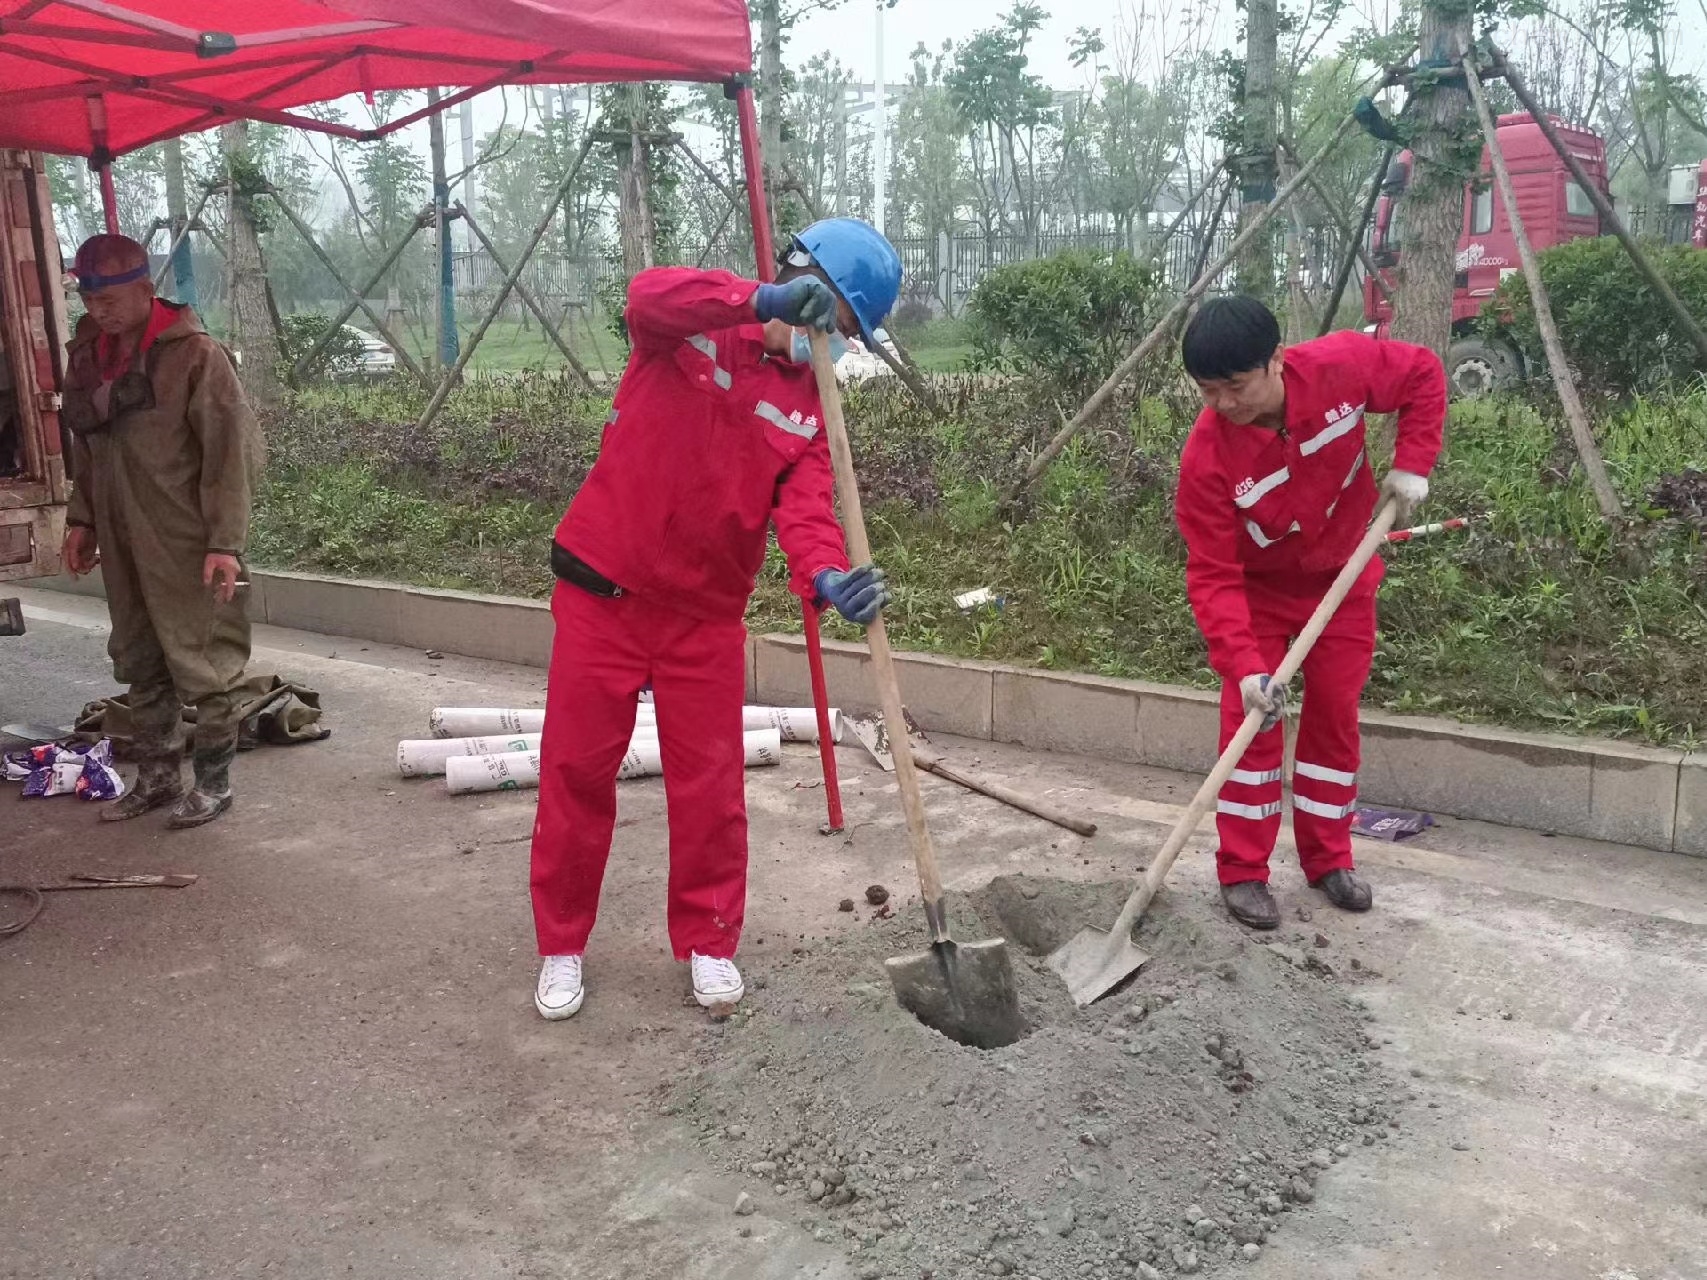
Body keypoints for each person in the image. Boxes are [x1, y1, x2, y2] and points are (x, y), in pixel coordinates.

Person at [529, 218, 902, 1019]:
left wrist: (828, 576)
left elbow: (805, 512)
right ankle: (561, 944)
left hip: (703, 616)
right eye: (834, 324)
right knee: (575, 774)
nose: (833, 345)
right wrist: (754, 298)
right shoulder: (698, 327)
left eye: (844, 336)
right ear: (803, 285)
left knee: (711, 790)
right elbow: (644, 298)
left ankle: (708, 943)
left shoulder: (811, 409)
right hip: (604, 591)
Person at [1174, 296, 1445, 930]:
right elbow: (1212, 574)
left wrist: (1411, 466)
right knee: (1252, 727)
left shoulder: (1340, 369)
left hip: (1343, 584)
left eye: (1234, 387)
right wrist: (1243, 666)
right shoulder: (1207, 458)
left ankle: (1330, 859)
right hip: (1260, 598)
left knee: (1333, 720)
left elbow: (1424, 375)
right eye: (1206, 390)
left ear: (1275, 360)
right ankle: (1243, 874)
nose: (1221, 404)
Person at [60, 234, 261, 829]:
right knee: (138, 654)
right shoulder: (89, 357)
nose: (101, 309)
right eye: (91, 297)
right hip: (120, 532)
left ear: (147, 289)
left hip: (184, 534)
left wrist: (225, 542)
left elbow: (232, 454)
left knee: (203, 657)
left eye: (113, 296)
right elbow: (89, 446)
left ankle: (215, 785)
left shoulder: (195, 355)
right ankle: (156, 777)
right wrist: (82, 517)